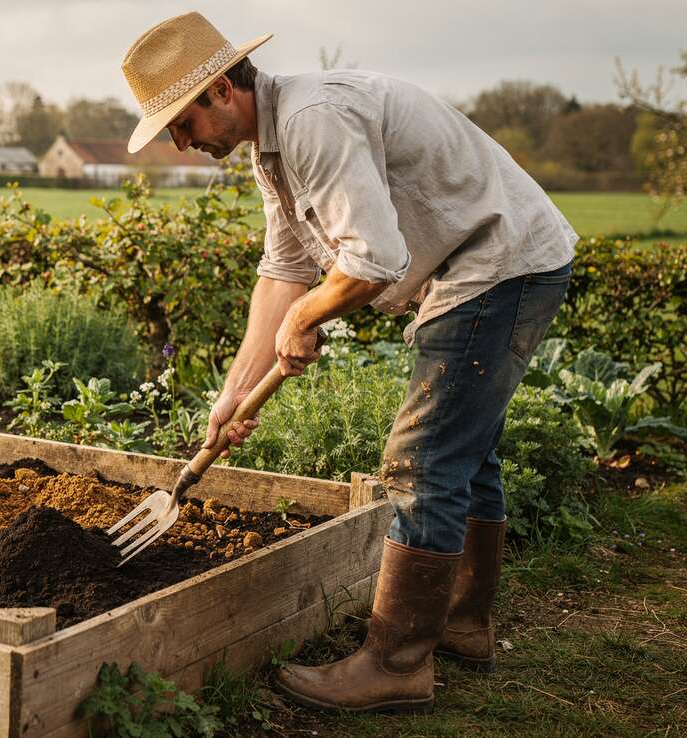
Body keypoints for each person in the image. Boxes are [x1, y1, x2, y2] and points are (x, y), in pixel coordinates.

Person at [120, 12, 576, 713]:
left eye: (182, 123)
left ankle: (396, 662)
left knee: (422, 459)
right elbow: (284, 272)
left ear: (220, 90)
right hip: (472, 268)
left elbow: (373, 260)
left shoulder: (313, 121)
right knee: (464, 451)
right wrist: (234, 394)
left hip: (500, 264)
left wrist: (306, 318)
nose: (181, 143)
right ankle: (462, 623)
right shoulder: (271, 149)